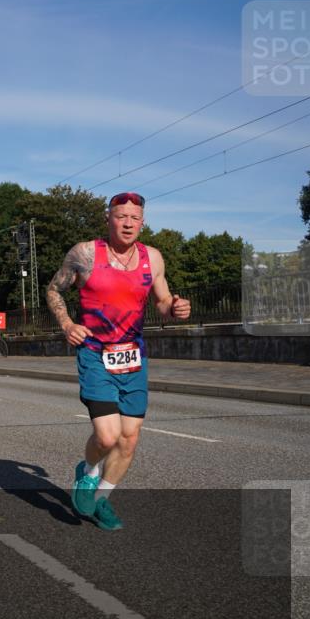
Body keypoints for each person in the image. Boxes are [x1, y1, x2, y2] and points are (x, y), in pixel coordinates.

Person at [47, 191, 191, 531]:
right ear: (108, 218)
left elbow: (162, 299)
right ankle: (88, 472)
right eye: (121, 216)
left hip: (133, 356)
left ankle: (101, 502)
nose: (128, 223)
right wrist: (67, 324)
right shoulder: (84, 254)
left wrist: (174, 308)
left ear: (142, 223)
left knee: (130, 438)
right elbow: (54, 290)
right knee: (108, 437)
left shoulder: (152, 258)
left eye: (135, 218)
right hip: (96, 353)